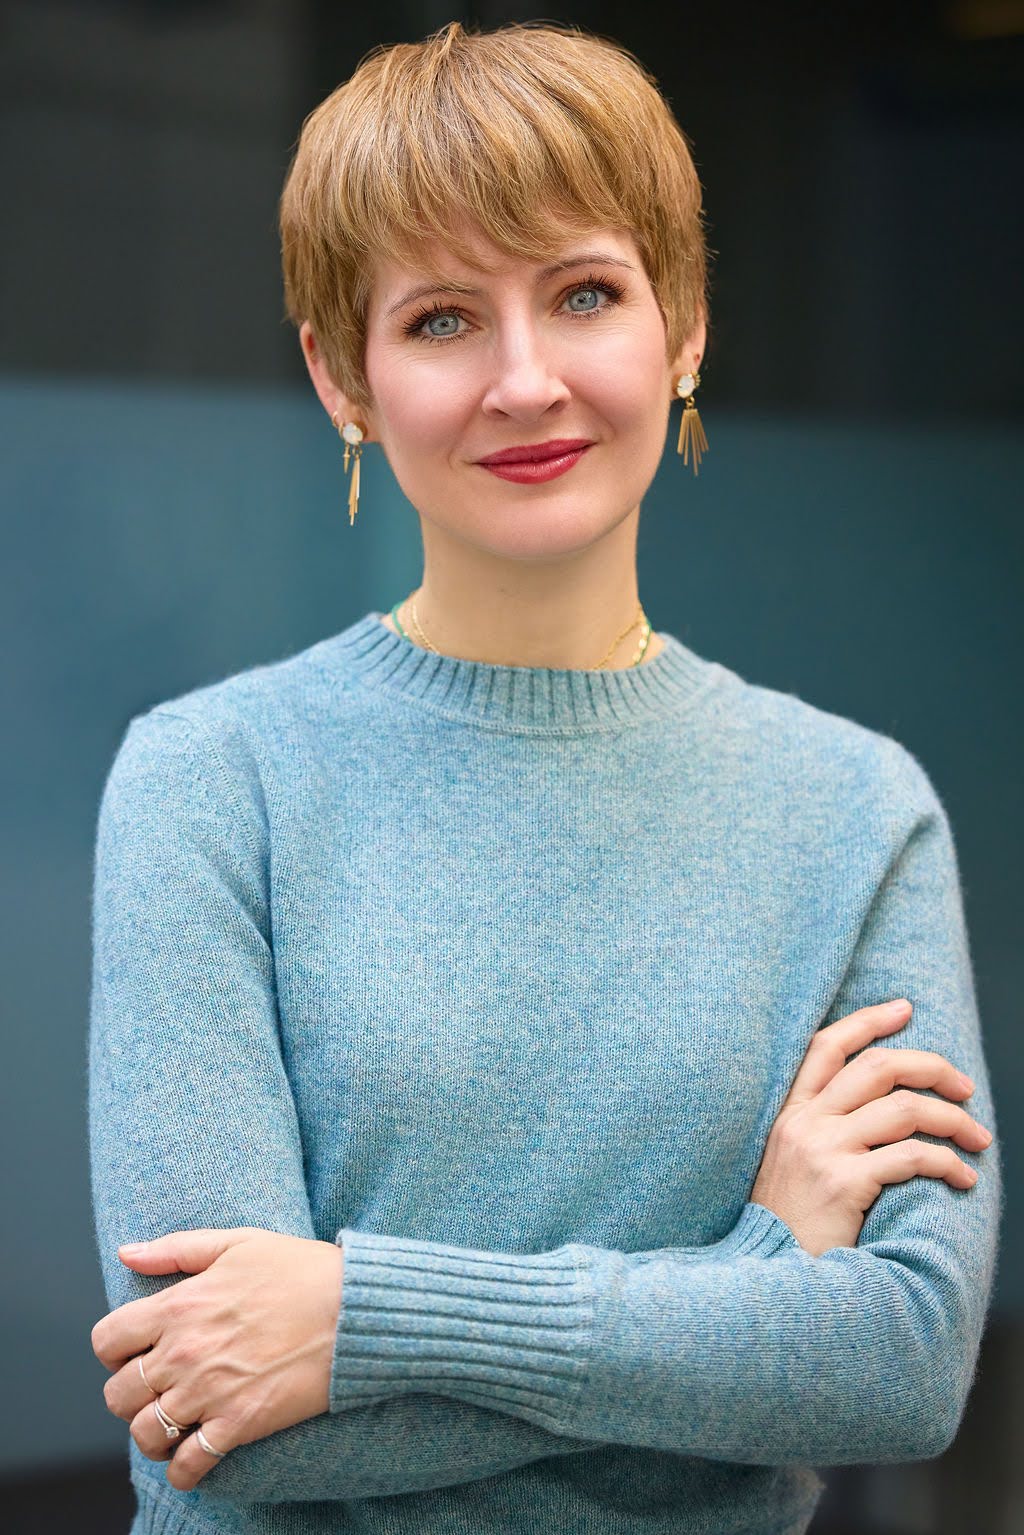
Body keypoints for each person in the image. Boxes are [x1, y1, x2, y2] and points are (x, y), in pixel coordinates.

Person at [87, 19, 1001, 1535]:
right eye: (442, 319)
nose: (526, 381)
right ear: (342, 378)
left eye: (584, 294)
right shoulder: (209, 780)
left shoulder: (856, 810)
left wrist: (355, 1323)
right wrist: (759, 1279)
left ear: (686, 324)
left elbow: (900, 1365)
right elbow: (213, 1420)